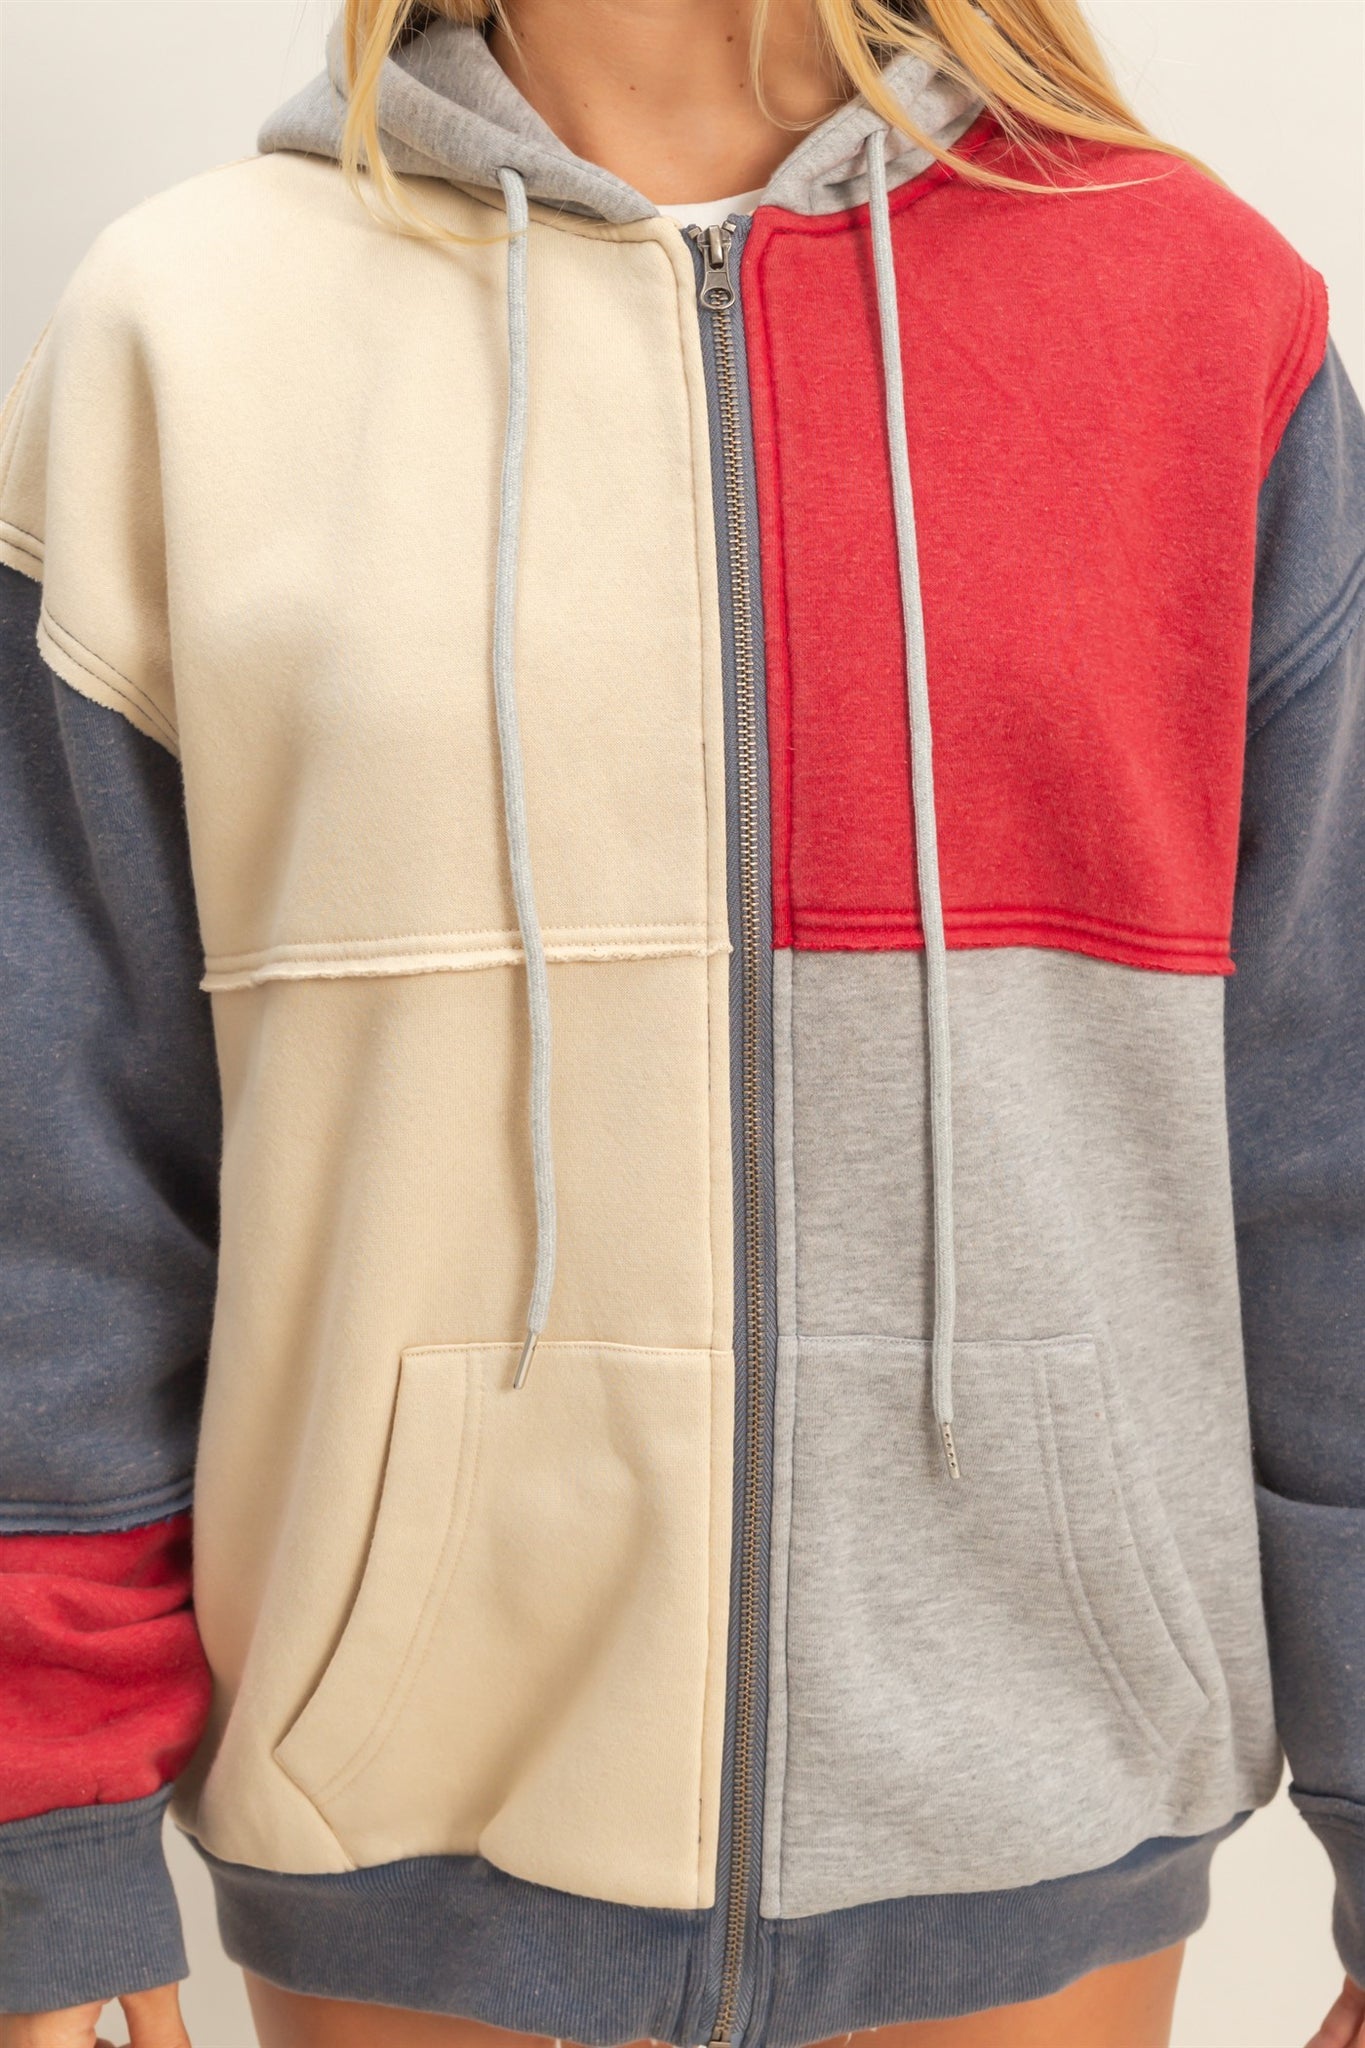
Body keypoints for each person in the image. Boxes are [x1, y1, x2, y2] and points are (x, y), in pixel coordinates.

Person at [1, 1, 1363, 2044]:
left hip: (1038, 1813)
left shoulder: (1191, 312)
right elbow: (54, 1163)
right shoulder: (188, 327)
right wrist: (40, 1817)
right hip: (409, 1835)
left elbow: (1325, 1135)